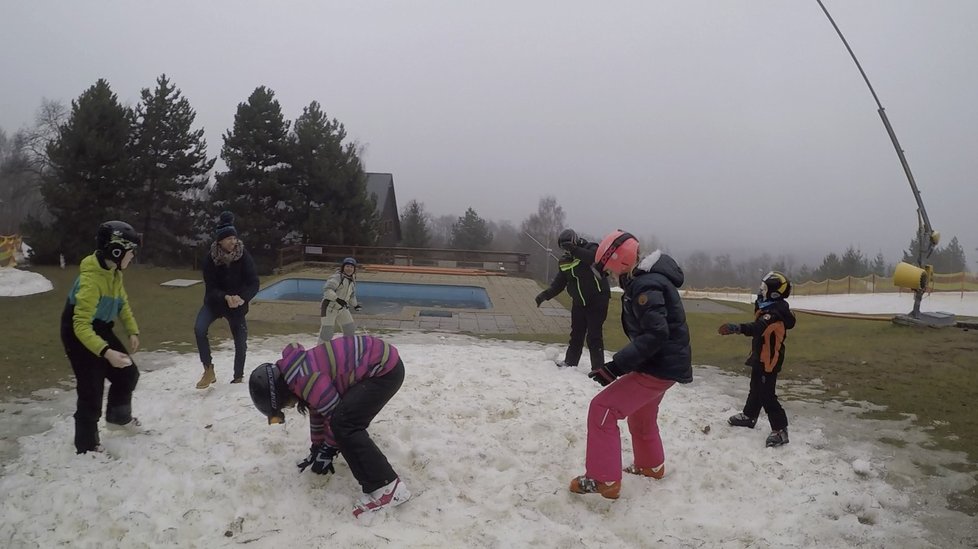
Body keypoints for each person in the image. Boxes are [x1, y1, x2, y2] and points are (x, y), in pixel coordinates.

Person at [569, 230, 692, 499]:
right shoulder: (647, 280)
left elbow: (656, 334)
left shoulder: (645, 286)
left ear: (619, 261)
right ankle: (651, 465)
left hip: (658, 365)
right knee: (642, 415)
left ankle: (603, 480)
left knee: (602, 409)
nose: (610, 275)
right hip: (662, 364)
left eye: (609, 270)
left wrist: (615, 367)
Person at [248, 336, 410, 518]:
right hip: (382, 362)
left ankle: (388, 487)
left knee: (344, 424)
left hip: (384, 371)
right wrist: (317, 447)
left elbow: (333, 416)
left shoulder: (306, 379)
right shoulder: (296, 372)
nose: (289, 407)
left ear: (280, 393)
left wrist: (328, 450)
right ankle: (382, 482)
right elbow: (319, 409)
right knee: (343, 423)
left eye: (283, 405)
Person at [60, 221, 143, 454]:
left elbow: (122, 303)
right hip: (78, 332)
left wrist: (132, 330)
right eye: (130, 252)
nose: (132, 257)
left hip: (100, 327)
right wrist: (106, 352)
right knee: (91, 389)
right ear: (115, 251)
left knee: (127, 373)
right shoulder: (90, 280)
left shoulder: (113, 272)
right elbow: (80, 325)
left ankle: (118, 418)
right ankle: (86, 446)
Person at [719, 270, 797, 447]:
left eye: (764, 288)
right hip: (759, 355)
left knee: (767, 394)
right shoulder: (767, 306)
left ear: (775, 292)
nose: (760, 290)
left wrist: (736, 328)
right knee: (755, 387)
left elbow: (758, 327)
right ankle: (750, 416)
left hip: (770, 359)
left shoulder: (776, 312)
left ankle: (780, 429)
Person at [194, 211, 259, 388]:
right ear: (220, 241)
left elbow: (254, 282)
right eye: (229, 238)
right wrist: (225, 297)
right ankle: (208, 370)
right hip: (215, 304)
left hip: (237, 305)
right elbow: (211, 287)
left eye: (234, 238)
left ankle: (238, 376)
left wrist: (242, 297)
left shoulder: (243, 255)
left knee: (240, 341)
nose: (233, 241)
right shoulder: (210, 259)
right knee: (199, 329)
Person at [535, 229, 611, 369]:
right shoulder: (564, 260)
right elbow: (559, 283)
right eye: (563, 247)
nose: (566, 249)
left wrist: (575, 250)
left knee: (594, 336)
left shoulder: (591, 248)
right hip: (579, 302)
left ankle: (598, 368)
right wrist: (544, 296)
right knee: (576, 334)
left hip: (598, 299)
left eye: (568, 246)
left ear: (575, 241)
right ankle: (570, 363)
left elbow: (595, 258)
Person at [318, 257, 362, 343]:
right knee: (327, 333)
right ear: (343, 267)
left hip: (342, 308)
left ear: (354, 269)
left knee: (349, 329)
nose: (349, 269)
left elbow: (352, 295)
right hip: (329, 308)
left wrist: (355, 305)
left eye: (351, 267)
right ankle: (320, 352)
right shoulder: (337, 277)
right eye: (347, 266)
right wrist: (337, 299)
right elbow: (327, 290)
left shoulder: (352, 280)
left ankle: (347, 349)